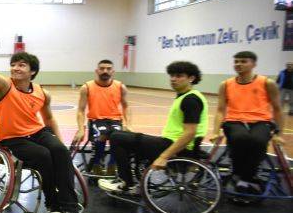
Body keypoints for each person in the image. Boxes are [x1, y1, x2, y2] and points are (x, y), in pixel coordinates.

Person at [0, 21, 88, 213]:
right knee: (43, 155)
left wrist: (60, 143)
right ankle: (53, 203)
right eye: (13, 64)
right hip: (11, 138)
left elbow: (49, 119)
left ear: (33, 71)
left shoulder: (42, 92)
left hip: (37, 132)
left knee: (59, 151)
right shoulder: (3, 86)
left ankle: (70, 207)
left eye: (21, 65)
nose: (15, 68)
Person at [98, 61, 208, 194]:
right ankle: (132, 178)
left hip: (175, 148)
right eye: (172, 75)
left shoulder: (190, 100)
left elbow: (190, 133)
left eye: (179, 76)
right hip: (171, 142)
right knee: (119, 134)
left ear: (191, 78)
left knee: (117, 137)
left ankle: (127, 183)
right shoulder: (186, 96)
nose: (173, 79)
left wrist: (164, 156)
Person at [210, 51, 285, 196]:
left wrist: (279, 133)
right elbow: (220, 110)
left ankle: (245, 177)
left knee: (258, 141)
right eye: (236, 61)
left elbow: (277, 109)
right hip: (234, 120)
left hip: (261, 121)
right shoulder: (225, 84)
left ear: (254, 64)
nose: (239, 64)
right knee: (240, 139)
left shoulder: (267, 83)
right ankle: (242, 175)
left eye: (244, 61)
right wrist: (215, 131)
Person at [72, 60, 130, 176]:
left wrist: (127, 124)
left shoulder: (120, 87)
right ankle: (97, 163)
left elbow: (126, 106)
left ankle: (112, 165)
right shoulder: (87, 87)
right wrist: (81, 129)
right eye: (102, 68)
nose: (105, 71)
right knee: (101, 135)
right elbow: (81, 110)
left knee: (119, 137)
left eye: (108, 68)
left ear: (113, 71)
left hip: (115, 120)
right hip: (96, 120)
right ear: (96, 71)